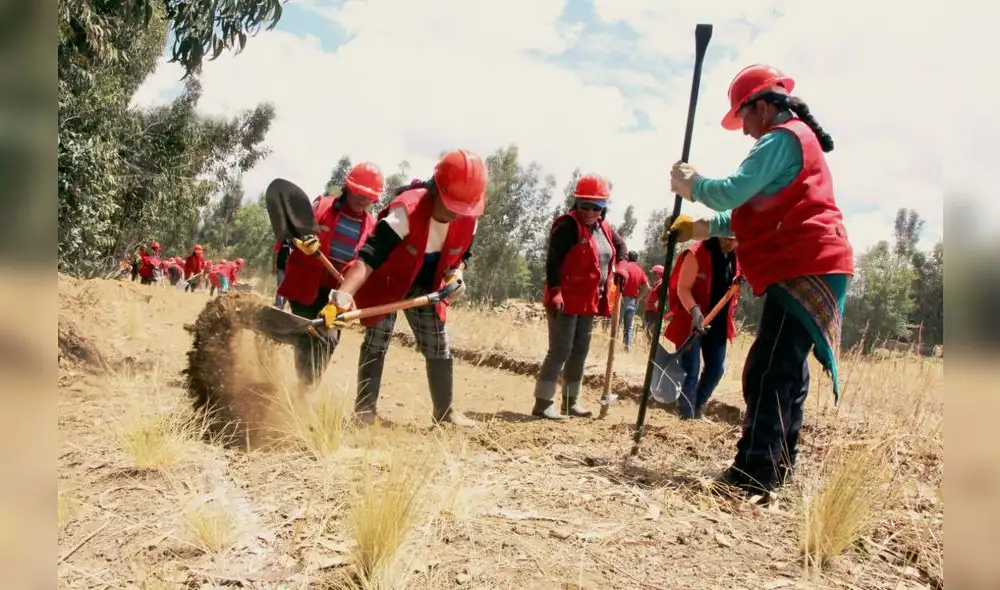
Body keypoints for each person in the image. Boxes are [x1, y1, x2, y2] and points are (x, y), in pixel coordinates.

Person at [666, 63, 854, 497]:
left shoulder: (781, 139)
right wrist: (699, 227)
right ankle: (779, 465)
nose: (745, 131)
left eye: (744, 118)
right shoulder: (793, 142)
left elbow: (732, 190)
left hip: (805, 261)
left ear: (764, 108)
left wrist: (693, 184)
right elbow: (751, 212)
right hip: (814, 260)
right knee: (785, 368)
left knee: (768, 370)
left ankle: (755, 473)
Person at [315, 150, 486, 428]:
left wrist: (456, 275)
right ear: (435, 190)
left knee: (438, 342)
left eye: (463, 208)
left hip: (427, 285)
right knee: (378, 340)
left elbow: (463, 256)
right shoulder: (406, 212)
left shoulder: (469, 216)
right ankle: (364, 412)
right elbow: (368, 258)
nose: (456, 213)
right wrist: (341, 296)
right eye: (451, 205)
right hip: (388, 280)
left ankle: (445, 413)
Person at [274, 162, 382, 389]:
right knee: (307, 335)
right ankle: (304, 390)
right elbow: (292, 231)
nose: (364, 200)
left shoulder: (372, 227)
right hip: (306, 284)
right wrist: (300, 241)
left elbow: (366, 264)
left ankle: (308, 387)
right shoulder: (321, 205)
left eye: (370, 197)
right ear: (348, 187)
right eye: (360, 193)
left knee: (328, 339)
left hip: (339, 292)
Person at [532, 173, 629, 421]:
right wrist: (554, 291)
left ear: (604, 208)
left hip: (589, 301)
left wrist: (622, 266)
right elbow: (552, 261)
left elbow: (621, 247)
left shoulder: (604, 228)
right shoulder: (567, 226)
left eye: (597, 207)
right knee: (560, 351)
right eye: (585, 205)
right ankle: (543, 404)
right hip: (564, 299)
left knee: (579, 352)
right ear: (577, 203)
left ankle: (570, 403)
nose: (590, 211)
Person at [664, 237, 740, 420]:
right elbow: (683, 288)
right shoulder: (696, 253)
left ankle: (697, 406)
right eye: (727, 238)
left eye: (735, 239)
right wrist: (695, 312)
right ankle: (686, 415)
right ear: (718, 233)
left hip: (718, 321)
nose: (731, 243)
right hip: (692, 319)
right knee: (691, 370)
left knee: (716, 368)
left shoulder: (738, 257)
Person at [618, 251, 649, 351]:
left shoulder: (625, 267)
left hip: (622, 299)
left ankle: (612, 345)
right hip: (633, 301)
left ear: (628, 257)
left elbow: (618, 280)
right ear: (637, 259)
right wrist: (639, 299)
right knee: (629, 327)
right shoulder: (640, 270)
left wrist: (619, 295)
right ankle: (626, 347)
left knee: (617, 324)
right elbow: (647, 287)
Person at [642, 264, 665, 342]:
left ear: (659, 274)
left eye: (655, 273)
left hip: (653, 312)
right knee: (647, 330)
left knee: (650, 331)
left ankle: (651, 348)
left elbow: (662, 299)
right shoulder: (658, 284)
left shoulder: (661, 284)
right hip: (650, 311)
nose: (653, 275)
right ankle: (649, 347)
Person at [271, 239, 292, 309]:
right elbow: (275, 253)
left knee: (288, 288)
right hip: (281, 268)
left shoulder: (294, 242)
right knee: (280, 285)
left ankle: (283, 305)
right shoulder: (281, 241)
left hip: (290, 270)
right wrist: (274, 267)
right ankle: (278, 303)